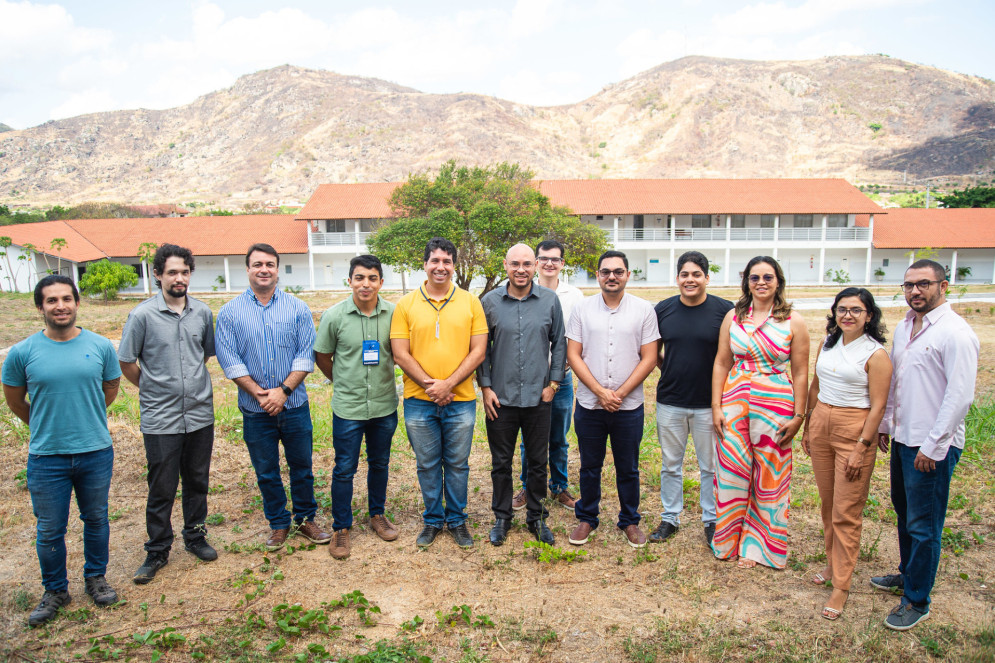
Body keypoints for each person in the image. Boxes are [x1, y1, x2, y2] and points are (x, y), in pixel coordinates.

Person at [2, 275, 122, 626]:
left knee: (96, 518)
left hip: (95, 451)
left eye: (67, 299)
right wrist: (46, 425)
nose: (60, 306)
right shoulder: (22, 352)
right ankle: (55, 590)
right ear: (39, 307)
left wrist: (87, 417)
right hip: (46, 456)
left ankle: (96, 579)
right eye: (52, 300)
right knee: (50, 528)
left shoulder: (100, 346)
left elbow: (111, 386)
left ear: (77, 303)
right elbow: (15, 401)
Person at [872, 260, 979, 631]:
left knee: (924, 525)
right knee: (904, 514)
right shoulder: (905, 326)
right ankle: (908, 574)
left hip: (931, 447)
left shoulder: (955, 333)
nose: (915, 291)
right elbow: (899, 382)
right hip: (904, 439)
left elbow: (960, 396)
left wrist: (933, 447)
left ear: (943, 286)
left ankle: (917, 600)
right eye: (908, 285)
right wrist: (887, 424)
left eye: (923, 284)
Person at [215, 243, 330, 551]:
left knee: (302, 468)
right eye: (257, 264)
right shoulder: (229, 313)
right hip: (255, 410)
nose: (263, 269)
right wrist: (261, 394)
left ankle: (305, 519)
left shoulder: (297, 308)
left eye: (269, 264)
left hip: (294, 406)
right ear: (248, 269)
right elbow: (229, 359)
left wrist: (283, 391)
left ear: (277, 269)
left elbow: (306, 355)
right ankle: (278, 524)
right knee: (266, 472)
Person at [118, 244, 218, 584]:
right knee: (161, 485)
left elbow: (203, 354)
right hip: (161, 418)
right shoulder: (142, 316)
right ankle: (158, 549)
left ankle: (196, 536)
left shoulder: (202, 313)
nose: (179, 278)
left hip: (200, 413)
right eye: (172, 272)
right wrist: (153, 388)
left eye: (185, 272)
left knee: (197, 479)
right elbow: (127, 362)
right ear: (158, 274)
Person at [711, 256, 809, 569]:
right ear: (747, 282)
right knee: (732, 470)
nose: (761, 283)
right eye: (755, 277)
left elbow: (802, 371)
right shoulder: (733, 317)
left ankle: (758, 549)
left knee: (770, 476)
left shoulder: (794, 320)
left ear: (778, 281)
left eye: (768, 277)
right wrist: (716, 405)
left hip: (775, 403)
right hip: (735, 401)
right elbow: (722, 362)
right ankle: (727, 541)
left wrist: (799, 416)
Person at [801, 288, 892, 620]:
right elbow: (815, 384)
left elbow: (879, 405)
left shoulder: (876, 354)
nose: (848, 315)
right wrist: (810, 424)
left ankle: (842, 586)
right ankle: (831, 563)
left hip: (854, 429)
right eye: (842, 309)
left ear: (869, 315)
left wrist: (862, 447)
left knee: (846, 510)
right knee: (828, 504)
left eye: (856, 310)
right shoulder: (829, 342)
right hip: (822, 419)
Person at [390, 237, 487, 549]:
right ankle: (433, 520)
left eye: (447, 261)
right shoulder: (406, 305)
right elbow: (400, 354)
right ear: (425, 264)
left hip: (461, 401)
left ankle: (457, 520)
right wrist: (434, 386)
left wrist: (449, 384)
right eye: (435, 261)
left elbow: (479, 351)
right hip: (419, 401)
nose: (440, 267)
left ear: (454, 266)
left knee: (458, 463)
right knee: (428, 463)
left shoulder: (471, 302)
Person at [566, 250, 660, 548]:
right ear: (598, 275)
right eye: (606, 271)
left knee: (628, 466)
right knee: (589, 465)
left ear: (628, 275)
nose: (612, 276)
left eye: (618, 271)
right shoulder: (582, 309)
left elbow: (649, 357)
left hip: (628, 405)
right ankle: (587, 518)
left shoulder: (644, 309)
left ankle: (630, 521)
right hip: (589, 404)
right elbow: (573, 354)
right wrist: (599, 391)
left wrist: (617, 394)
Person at [479, 244, 566, 546]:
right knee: (501, 462)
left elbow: (561, 343)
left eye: (527, 264)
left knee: (538, 462)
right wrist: (486, 387)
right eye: (515, 263)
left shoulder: (550, 302)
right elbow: (480, 349)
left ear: (535, 266)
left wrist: (553, 384)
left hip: (538, 397)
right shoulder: (489, 302)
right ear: (505, 265)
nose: (521, 269)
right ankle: (502, 518)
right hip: (499, 400)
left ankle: (536, 518)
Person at [315, 255, 399, 560]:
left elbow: (401, 351)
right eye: (359, 278)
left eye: (372, 278)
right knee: (344, 468)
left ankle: (377, 514)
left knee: (380, 464)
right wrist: (341, 380)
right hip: (348, 408)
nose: (366, 284)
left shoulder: (393, 313)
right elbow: (322, 355)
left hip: (383, 406)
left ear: (380, 282)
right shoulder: (334, 316)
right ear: (349, 281)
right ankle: (341, 527)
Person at [649, 251, 733, 546]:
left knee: (710, 466)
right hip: (670, 400)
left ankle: (712, 520)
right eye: (685, 274)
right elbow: (652, 350)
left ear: (707, 278)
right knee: (671, 464)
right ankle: (670, 518)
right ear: (677, 278)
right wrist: (670, 367)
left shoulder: (725, 311)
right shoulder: (664, 309)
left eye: (696, 274)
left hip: (710, 404)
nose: (690, 280)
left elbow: (732, 355)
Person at [511, 239, 585, 512]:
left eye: (555, 259)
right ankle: (527, 486)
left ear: (562, 264)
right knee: (527, 438)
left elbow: (578, 337)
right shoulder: (523, 290)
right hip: (528, 380)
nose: (550, 263)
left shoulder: (574, 296)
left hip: (562, 378)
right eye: (544, 258)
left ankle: (558, 487)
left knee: (558, 437)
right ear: (536, 262)